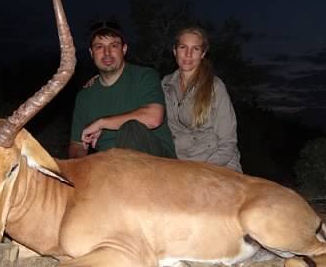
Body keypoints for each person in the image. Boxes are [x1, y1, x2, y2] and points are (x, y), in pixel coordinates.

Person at [68, 21, 176, 159]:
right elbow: (77, 145)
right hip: (109, 167)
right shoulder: (85, 96)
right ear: (91, 52)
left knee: (131, 128)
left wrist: (102, 123)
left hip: (156, 163)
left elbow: (154, 117)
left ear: (124, 49)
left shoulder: (144, 76)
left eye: (113, 45)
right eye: (99, 47)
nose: (107, 53)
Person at [161, 26, 243, 172]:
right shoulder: (165, 84)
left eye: (196, 49)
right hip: (180, 165)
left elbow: (228, 143)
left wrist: (203, 171)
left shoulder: (215, 87)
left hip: (217, 165)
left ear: (203, 53)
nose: (188, 54)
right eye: (183, 47)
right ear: (175, 51)